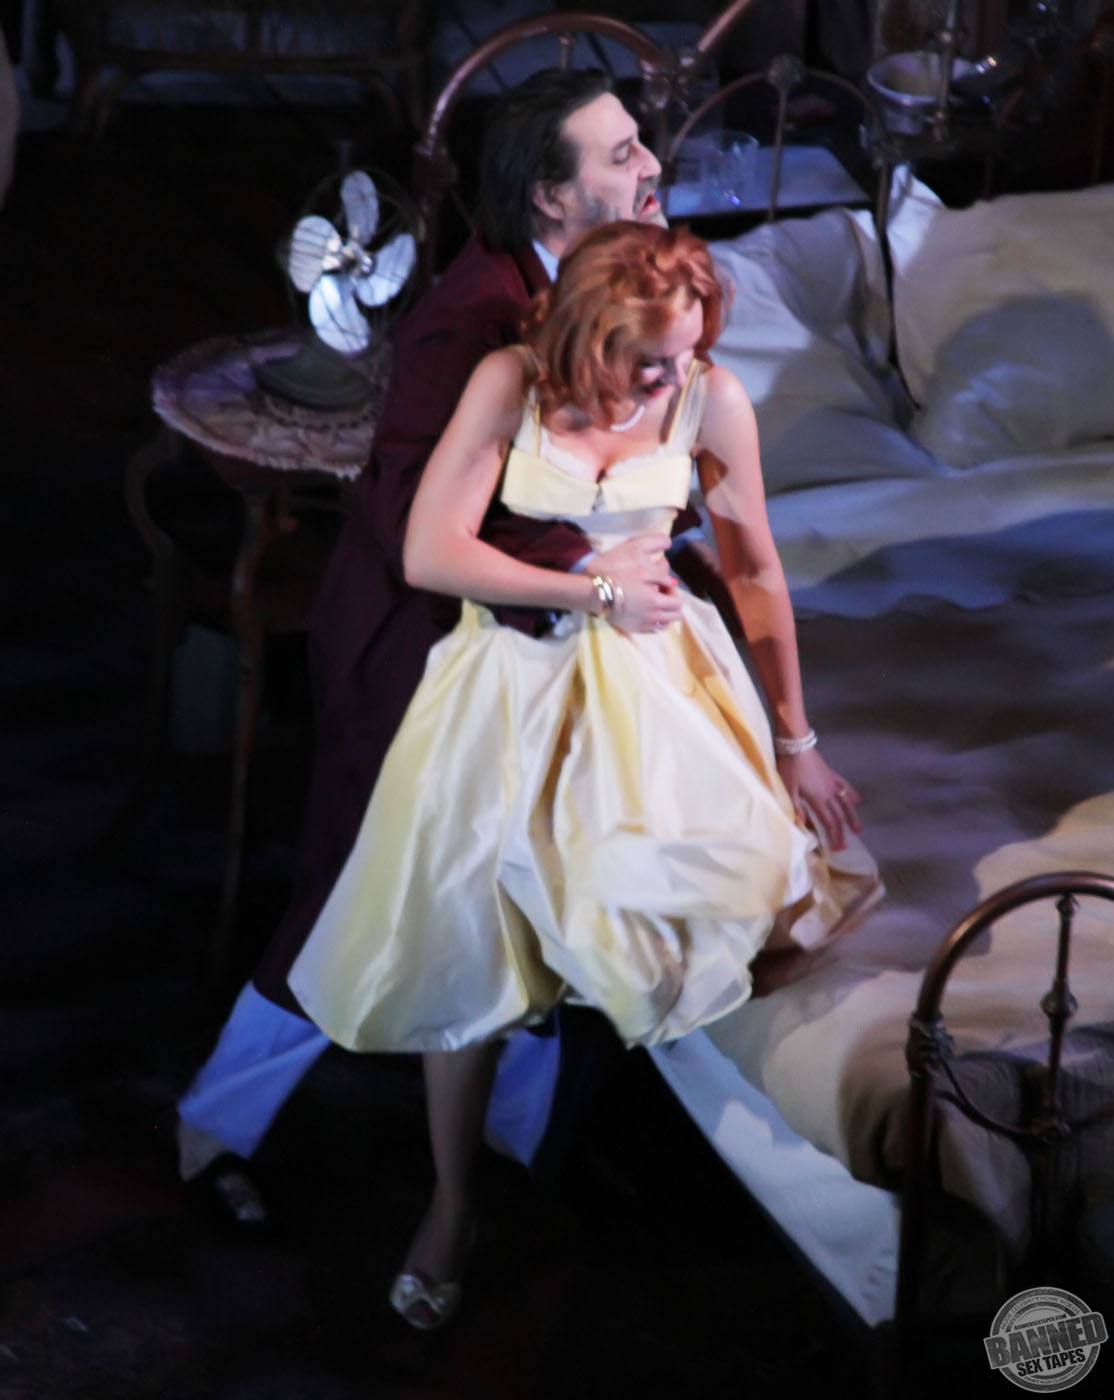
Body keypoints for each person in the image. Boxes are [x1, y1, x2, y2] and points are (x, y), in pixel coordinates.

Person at [289, 222, 880, 1329]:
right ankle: (454, 1201)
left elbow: (755, 568)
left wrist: (798, 741)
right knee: (465, 948)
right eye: (647, 359)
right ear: (588, 332)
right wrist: (591, 590)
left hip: (652, 690)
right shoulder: (509, 381)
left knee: (666, 902)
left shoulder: (711, 399)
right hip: (507, 685)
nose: (669, 376)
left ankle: (605, 1149)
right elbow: (430, 550)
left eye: (685, 351)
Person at [175, 67, 693, 1221]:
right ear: (548, 196)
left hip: (551, 643)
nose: (650, 164)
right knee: (354, 901)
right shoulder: (475, 320)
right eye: (619, 153)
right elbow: (420, 528)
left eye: (640, 141)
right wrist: (591, 566)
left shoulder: (625, 276)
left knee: (547, 902)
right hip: (420, 649)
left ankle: (513, 1151)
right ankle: (213, 1129)